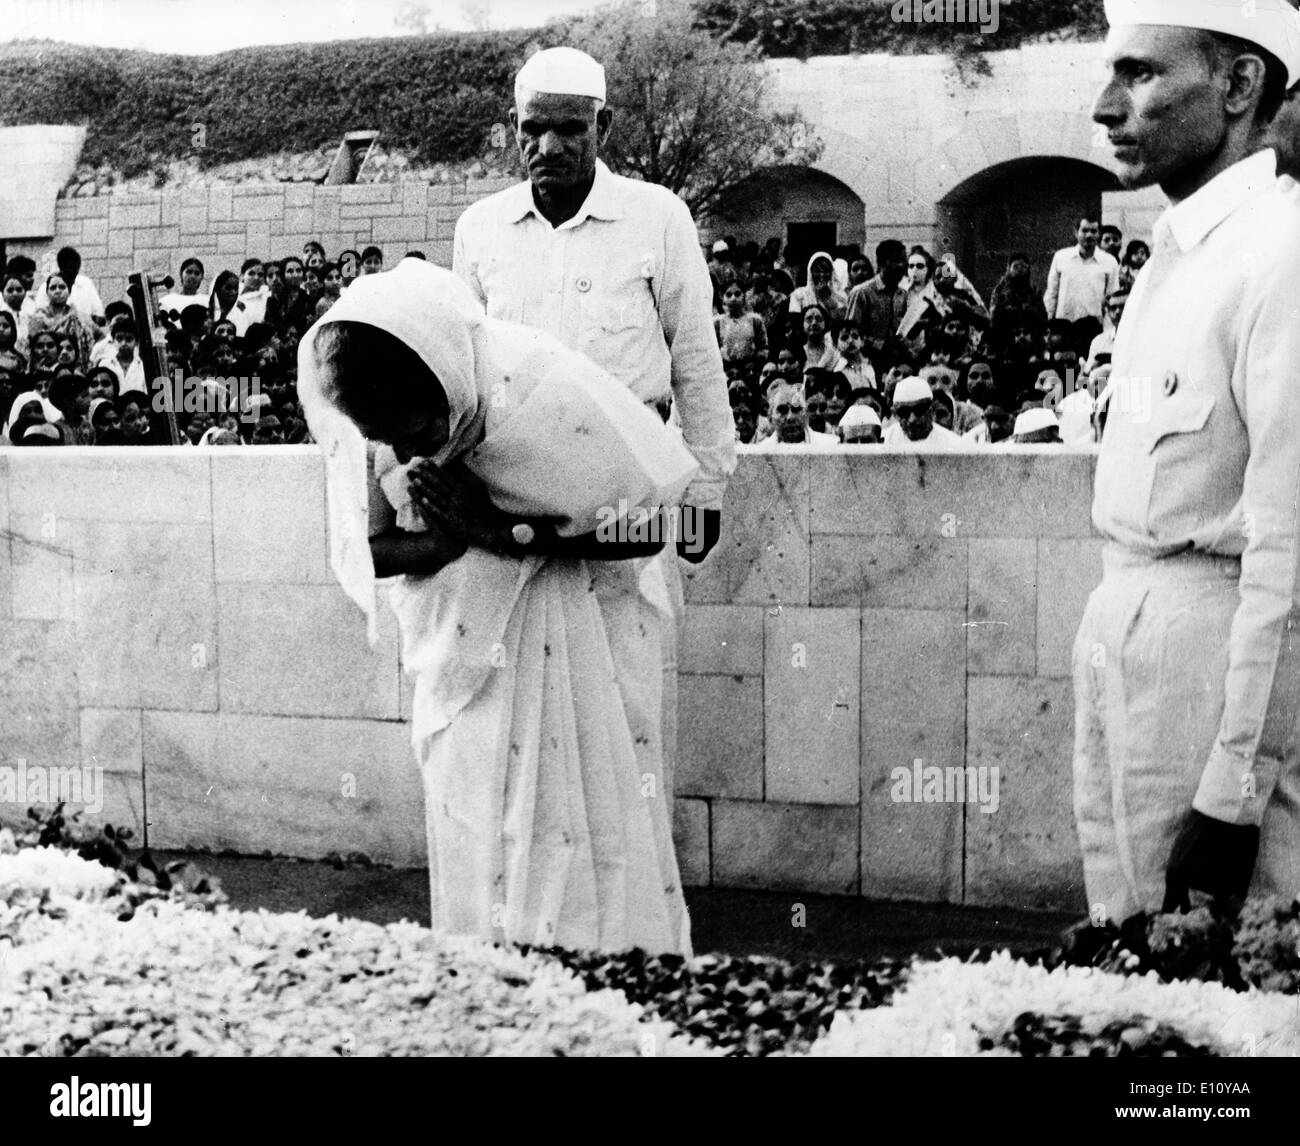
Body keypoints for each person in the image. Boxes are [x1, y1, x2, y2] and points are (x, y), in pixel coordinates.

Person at [298, 257, 696, 955]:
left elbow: (652, 525)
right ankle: (488, 992)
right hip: (459, 657)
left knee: (568, 834)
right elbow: (368, 550)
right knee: (479, 831)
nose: (395, 450)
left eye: (415, 434)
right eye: (381, 436)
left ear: (447, 381)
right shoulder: (375, 421)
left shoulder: (541, 386)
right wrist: (447, 539)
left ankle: (586, 995)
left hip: (572, 639)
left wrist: (503, 531)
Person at [453, 45, 736, 810]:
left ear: (603, 126)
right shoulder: (481, 230)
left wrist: (705, 488)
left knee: (628, 704)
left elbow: (696, 361)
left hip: (628, 504)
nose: (549, 147)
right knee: (529, 713)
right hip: (516, 507)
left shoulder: (658, 216)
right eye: (533, 129)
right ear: (515, 130)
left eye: (570, 129)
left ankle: (632, 900)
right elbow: (465, 376)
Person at [1072, 0, 1300, 931]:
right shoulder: (1180, 254)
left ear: (1241, 86)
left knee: (1228, 1004)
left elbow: (1289, 552)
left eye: (1143, 73)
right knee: (1133, 975)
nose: (1105, 105)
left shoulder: (1282, 257)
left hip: (1218, 682)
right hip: (1124, 645)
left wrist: (1233, 793)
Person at [1043, 215, 1120, 358]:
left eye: (1093, 231)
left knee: (1092, 372)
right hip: (1064, 327)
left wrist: (1108, 332)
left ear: (1099, 234)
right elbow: (1051, 294)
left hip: (1093, 329)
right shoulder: (1061, 257)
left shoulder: (1110, 262)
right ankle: (1070, 380)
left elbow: (1112, 299)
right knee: (1068, 373)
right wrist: (1049, 326)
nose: (1089, 235)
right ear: (1076, 232)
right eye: (1084, 230)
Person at [27, 273, 93, 370]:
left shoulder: (79, 317)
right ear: (47, 292)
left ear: (69, 291)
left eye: (62, 287)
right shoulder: (39, 317)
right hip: (46, 368)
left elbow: (97, 336)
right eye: (53, 288)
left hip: (74, 367)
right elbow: (32, 346)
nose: (57, 291)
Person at [883, 375, 963, 450]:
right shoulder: (885, 441)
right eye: (904, 412)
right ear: (895, 414)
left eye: (919, 410)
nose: (912, 419)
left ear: (931, 410)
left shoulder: (953, 444)